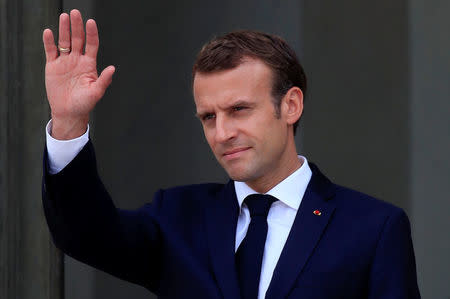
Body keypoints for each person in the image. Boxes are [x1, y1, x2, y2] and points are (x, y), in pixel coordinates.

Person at [42, 9, 421, 299]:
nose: (222, 133)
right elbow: (84, 234)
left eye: (239, 109)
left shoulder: (373, 229)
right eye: (208, 117)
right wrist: (69, 123)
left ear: (290, 106)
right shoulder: (178, 219)